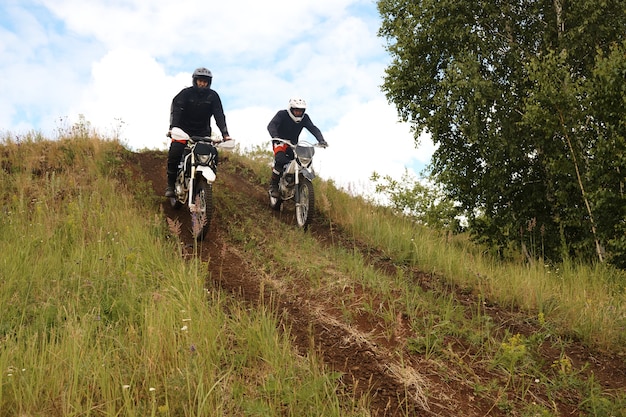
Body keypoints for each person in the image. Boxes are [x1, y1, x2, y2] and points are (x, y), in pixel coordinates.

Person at [165, 67, 231, 197]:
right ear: (195, 81)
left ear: (209, 82)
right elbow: (177, 109)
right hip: (183, 130)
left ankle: (203, 182)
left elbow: (219, 115)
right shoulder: (185, 93)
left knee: (212, 154)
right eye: (200, 81)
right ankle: (170, 185)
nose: (202, 84)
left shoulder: (213, 96)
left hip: (202, 132)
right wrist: (173, 128)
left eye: (205, 82)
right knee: (175, 152)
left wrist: (225, 134)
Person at [267, 97, 328, 197]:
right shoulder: (282, 114)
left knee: (300, 162)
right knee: (280, 159)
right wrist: (275, 136)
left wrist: (321, 140)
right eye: (296, 110)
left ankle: (295, 184)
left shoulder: (305, 118)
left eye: (300, 111)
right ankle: (273, 186)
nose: (298, 113)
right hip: (280, 141)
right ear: (291, 109)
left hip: (293, 145)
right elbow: (271, 125)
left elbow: (313, 128)